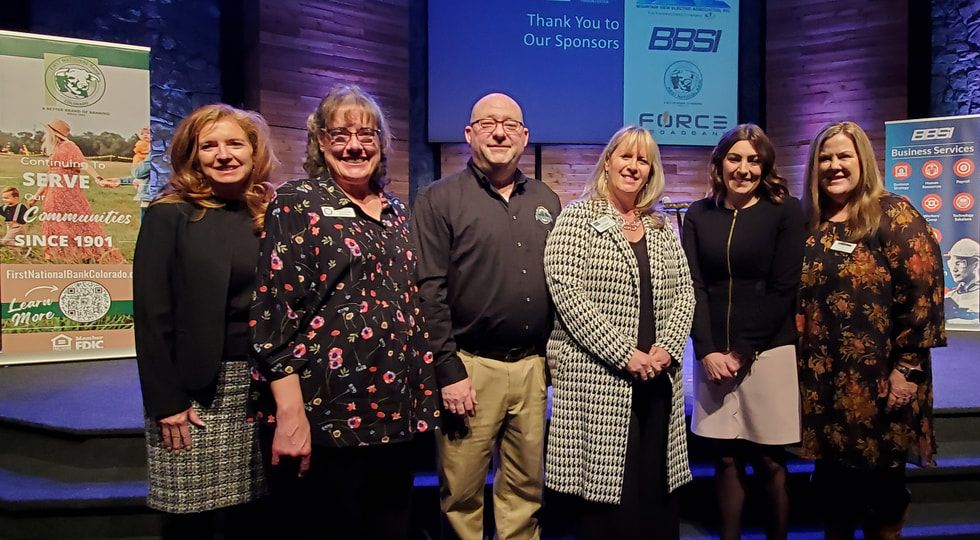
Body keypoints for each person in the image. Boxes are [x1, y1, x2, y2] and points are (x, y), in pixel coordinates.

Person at [250, 84, 438, 539]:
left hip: (394, 413)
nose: (354, 145)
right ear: (319, 141)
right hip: (326, 413)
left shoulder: (394, 210)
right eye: (340, 135)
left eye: (366, 135)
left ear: (381, 144)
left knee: (389, 526)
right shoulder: (297, 202)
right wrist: (290, 413)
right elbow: (274, 314)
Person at [412, 93, 560, 540]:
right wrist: (449, 369)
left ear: (525, 136)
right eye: (489, 123)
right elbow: (428, 291)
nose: (500, 132)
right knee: (461, 495)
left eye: (510, 125)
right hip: (470, 369)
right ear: (469, 133)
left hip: (533, 369)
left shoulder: (547, 199)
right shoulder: (439, 199)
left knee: (525, 492)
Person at [544, 125, 694, 539]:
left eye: (642, 160)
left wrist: (666, 349)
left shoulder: (660, 226)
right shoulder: (579, 217)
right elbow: (567, 293)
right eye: (625, 156)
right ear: (607, 161)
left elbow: (685, 291)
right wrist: (624, 353)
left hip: (657, 378)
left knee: (655, 486)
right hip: (600, 379)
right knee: (608, 496)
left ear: (651, 171)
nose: (632, 166)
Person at [798, 121, 946, 540]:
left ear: (862, 159)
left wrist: (909, 368)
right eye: (825, 158)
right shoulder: (813, 221)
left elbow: (924, 294)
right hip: (826, 378)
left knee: (882, 485)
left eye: (844, 156)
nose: (834, 166)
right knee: (833, 486)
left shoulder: (893, 213)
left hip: (881, 377)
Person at [133, 103, 274, 539]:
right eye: (209, 146)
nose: (223, 155)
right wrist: (166, 402)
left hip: (260, 389)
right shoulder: (168, 214)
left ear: (254, 152)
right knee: (189, 521)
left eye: (235, 143)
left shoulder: (268, 214)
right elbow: (151, 316)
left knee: (253, 516)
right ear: (193, 155)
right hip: (193, 394)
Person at [681, 124, 804, 540]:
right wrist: (707, 349)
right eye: (735, 158)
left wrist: (742, 351)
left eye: (753, 160)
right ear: (719, 163)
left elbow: (784, 287)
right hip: (714, 355)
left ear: (765, 165)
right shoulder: (699, 214)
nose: (744, 168)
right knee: (727, 458)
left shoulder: (786, 211)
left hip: (768, 350)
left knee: (771, 461)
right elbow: (693, 285)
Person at [30, 119, 125, 263]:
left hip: (69, 190)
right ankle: (53, 255)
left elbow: (84, 164)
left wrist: (98, 179)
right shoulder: (56, 148)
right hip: (53, 191)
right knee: (51, 221)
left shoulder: (69, 146)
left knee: (77, 221)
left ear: (53, 133)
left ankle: (85, 253)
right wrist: (36, 196)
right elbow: (50, 175)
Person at [943, 238, 980, 321]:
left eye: (959, 263)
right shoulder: (950, 296)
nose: (954, 269)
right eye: (951, 263)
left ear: (975, 264)